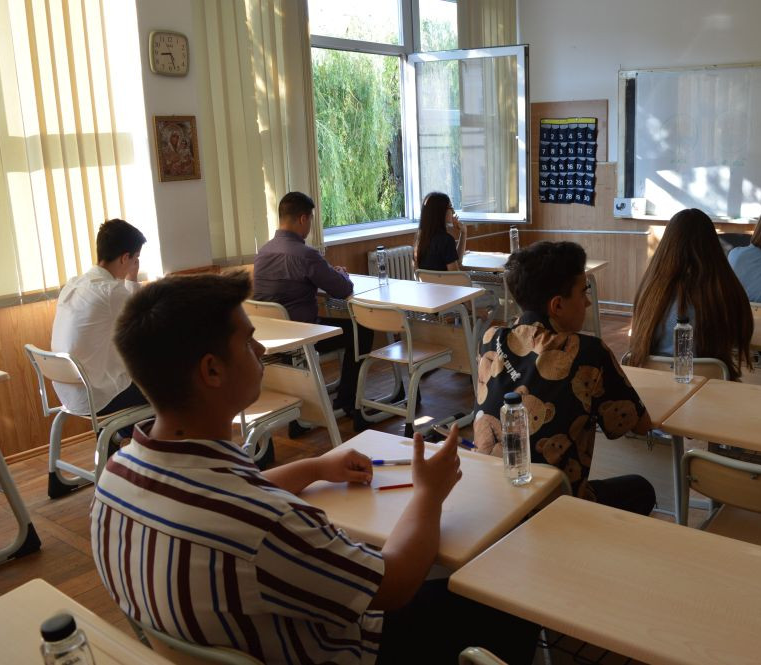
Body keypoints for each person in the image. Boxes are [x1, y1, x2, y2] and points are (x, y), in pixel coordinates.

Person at [94, 272, 539, 664]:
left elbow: (232, 494)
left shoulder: (116, 476)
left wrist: (314, 467)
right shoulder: (264, 525)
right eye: (247, 341)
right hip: (355, 650)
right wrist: (429, 494)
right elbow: (395, 583)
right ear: (212, 371)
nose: (260, 349)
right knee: (508, 595)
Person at [474, 241, 656, 515]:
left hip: (493, 499)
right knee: (642, 489)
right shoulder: (587, 352)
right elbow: (640, 425)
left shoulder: (491, 339)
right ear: (557, 305)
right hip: (554, 504)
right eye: (583, 292)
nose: (588, 302)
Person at [253, 192, 373, 418]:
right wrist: (341, 274)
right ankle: (348, 401)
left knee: (347, 330)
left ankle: (304, 413)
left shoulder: (262, 253)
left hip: (271, 337)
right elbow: (342, 290)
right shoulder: (305, 255)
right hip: (303, 336)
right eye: (310, 220)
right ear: (303, 219)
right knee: (362, 331)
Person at [626, 208, 753, 380]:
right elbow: (739, 337)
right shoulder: (725, 288)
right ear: (713, 246)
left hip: (653, 385)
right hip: (713, 385)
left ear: (667, 246)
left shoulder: (649, 290)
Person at [50, 218, 148, 418]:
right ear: (125, 258)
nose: (134, 264)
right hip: (96, 397)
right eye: (135, 258)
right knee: (169, 387)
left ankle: (118, 433)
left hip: (69, 393)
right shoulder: (110, 292)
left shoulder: (73, 284)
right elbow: (142, 325)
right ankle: (126, 432)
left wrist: (130, 278)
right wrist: (132, 279)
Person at [414, 192, 465, 271]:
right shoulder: (447, 240)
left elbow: (457, 262)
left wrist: (463, 232)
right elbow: (455, 275)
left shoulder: (420, 239)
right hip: (446, 280)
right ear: (441, 212)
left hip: (426, 280)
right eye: (450, 207)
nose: (453, 211)